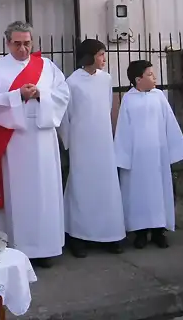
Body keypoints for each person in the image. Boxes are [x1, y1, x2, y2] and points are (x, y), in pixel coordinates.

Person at [0, 21, 70, 267]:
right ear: (7, 43)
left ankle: (45, 246)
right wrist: (16, 95)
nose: (23, 49)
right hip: (13, 139)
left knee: (44, 192)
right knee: (16, 192)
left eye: (27, 43)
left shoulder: (47, 67)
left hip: (42, 136)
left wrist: (42, 94)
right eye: (17, 44)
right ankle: (15, 247)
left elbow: (63, 94)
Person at [115, 60, 183, 250]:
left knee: (159, 193)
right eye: (149, 74)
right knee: (138, 194)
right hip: (137, 157)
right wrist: (122, 157)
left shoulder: (159, 97)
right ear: (138, 79)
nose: (154, 77)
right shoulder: (128, 100)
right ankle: (140, 232)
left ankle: (159, 231)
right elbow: (123, 129)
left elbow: (170, 124)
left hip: (158, 156)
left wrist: (174, 150)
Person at [60, 39, 126, 258]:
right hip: (81, 141)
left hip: (103, 140)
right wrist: (69, 143)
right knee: (82, 185)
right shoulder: (72, 82)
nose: (103, 59)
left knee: (106, 185)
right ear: (88, 57)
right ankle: (78, 235)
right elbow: (66, 117)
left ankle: (110, 234)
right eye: (100, 54)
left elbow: (107, 107)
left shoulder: (106, 79)